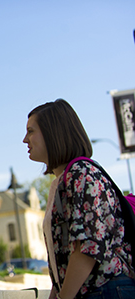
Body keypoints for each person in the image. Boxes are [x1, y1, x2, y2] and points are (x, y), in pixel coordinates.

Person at [23, 99, 135, 299]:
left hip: (106, 289)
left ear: (53, 133)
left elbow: (88, 248)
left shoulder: (81, 173)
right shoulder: (61, 181)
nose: (25, 139)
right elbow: (64, 257)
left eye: (31, 131)